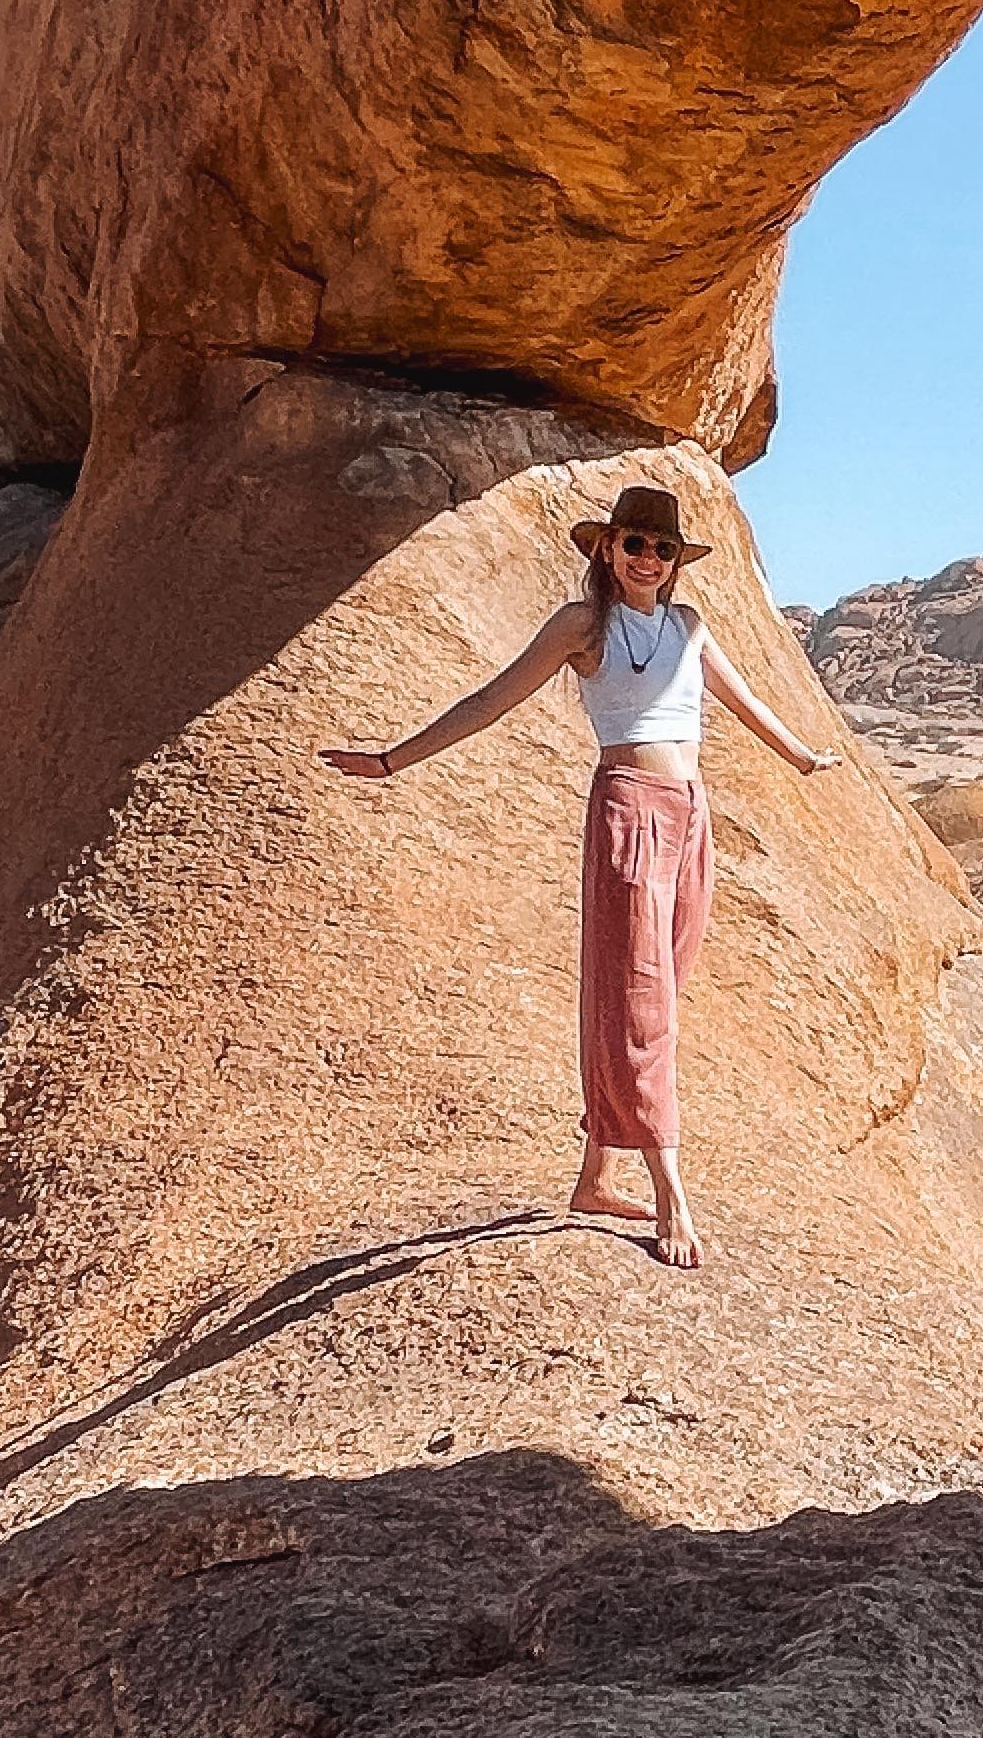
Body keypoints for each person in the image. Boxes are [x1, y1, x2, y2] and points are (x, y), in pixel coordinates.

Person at [321, 483, 838, 1267]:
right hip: (629, 809)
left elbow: (741, 699)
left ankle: (597, 1174)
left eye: (663, 549)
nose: (649, 560)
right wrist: (394, 760)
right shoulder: (581, 625)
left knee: (656, 987)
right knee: (640, 1001)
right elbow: (494, 698)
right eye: (634, 544)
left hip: (689, 815)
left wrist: (802, 758)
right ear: (607, 549)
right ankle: (671, 1196)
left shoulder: (688, 625)